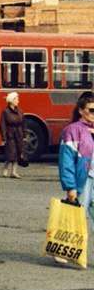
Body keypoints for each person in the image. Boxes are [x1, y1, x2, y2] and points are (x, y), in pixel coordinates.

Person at [55, 95, 94, 266]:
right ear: (81, 110)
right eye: (91, 110)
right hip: (83, 180)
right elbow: (66, 160)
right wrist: (70, 185)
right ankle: (63, 248)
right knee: (76, 215)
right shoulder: (73, 130)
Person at [0, 91, 27, 178]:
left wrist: (24, 135)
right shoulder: (5, 112)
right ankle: (5, 168)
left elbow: (23, 123)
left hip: (19, 134)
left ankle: (14, 172)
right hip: (10, 134)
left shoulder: (20, 111)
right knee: (11, 153)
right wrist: (3, 137)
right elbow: (2, 125)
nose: (18, 100)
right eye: (16, 99)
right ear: (11, 100)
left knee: (18, 152)